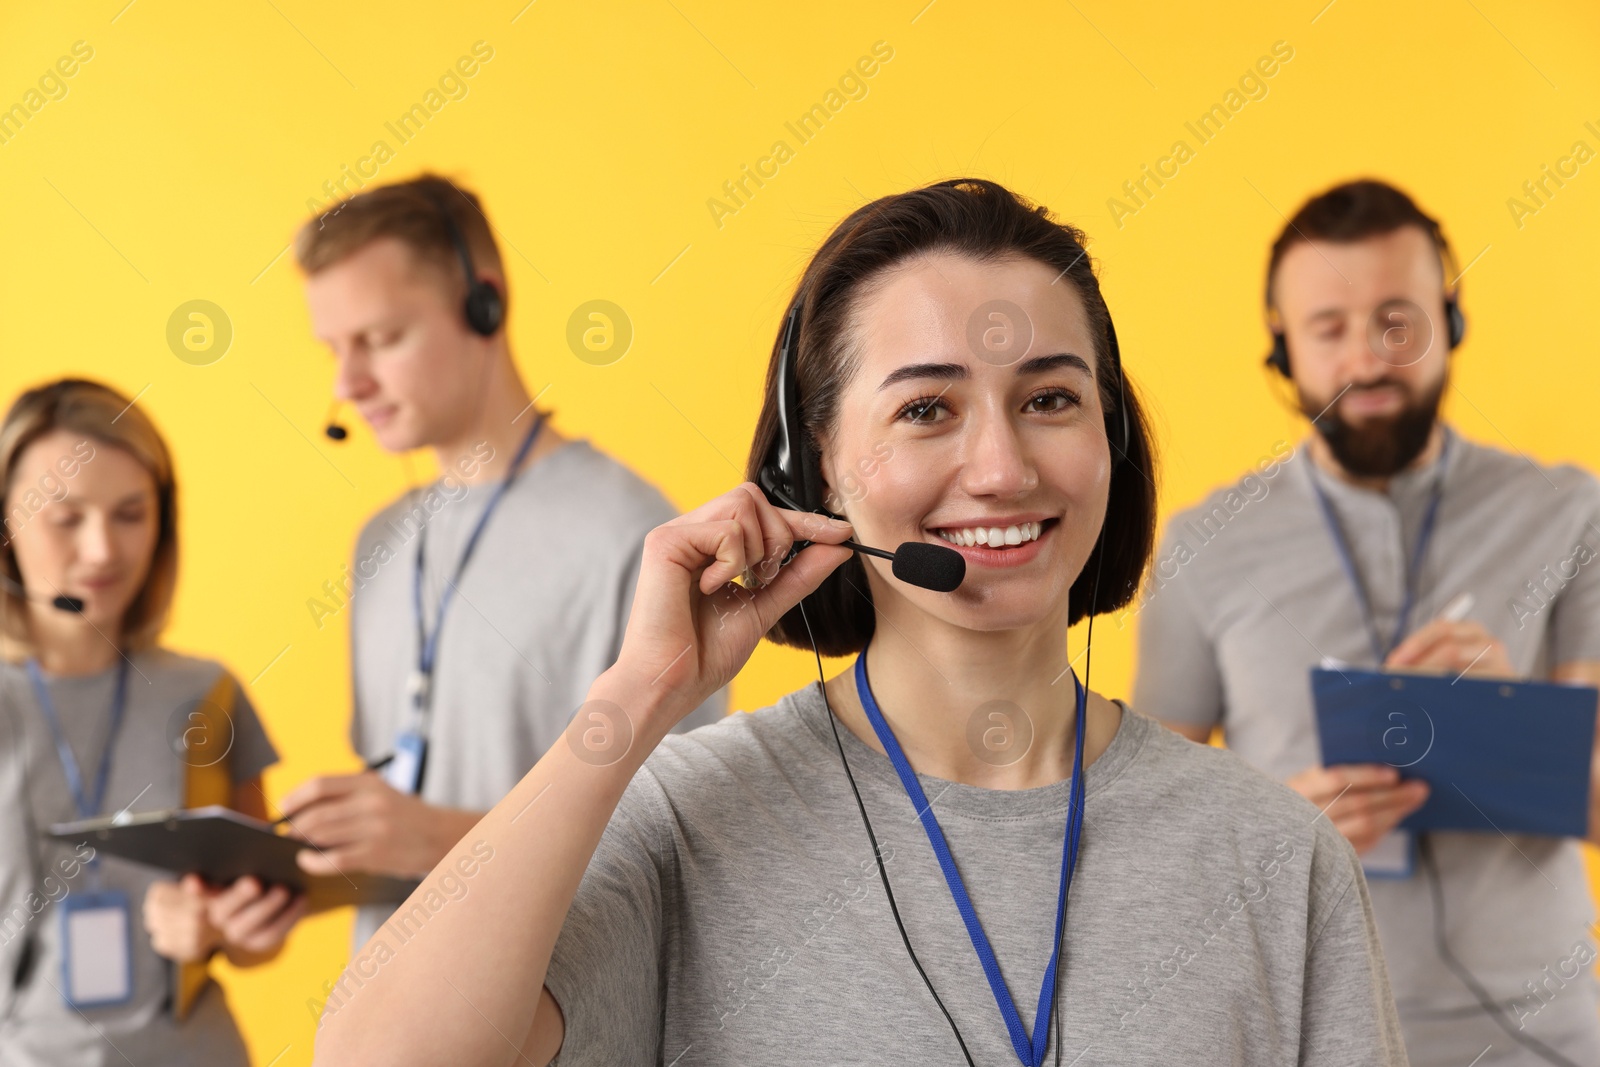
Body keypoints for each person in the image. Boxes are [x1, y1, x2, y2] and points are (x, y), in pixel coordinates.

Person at [306, 177, 1406, 1066]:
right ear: (815, 467)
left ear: (1111, 439)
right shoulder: (691, 825)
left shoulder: (1275, 855)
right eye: (925, 408)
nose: (1001, 464)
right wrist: (635, 697)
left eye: (1051, 398)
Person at [1133, 178, 1600, 1066]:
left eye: (1397, 319)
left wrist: (1510, 718)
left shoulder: (1573, 515)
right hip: (1301, 1036)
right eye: (1330, 328)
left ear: (1449, 319)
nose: (1367, 359)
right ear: (1281, 347)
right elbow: (1149, 841)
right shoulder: (1203, 545)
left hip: (1546, 1041)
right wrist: (1274, 831)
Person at [280, 174, 725, 956]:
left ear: (483, 304)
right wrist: (294, 882)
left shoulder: (635, 535)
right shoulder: (379, 542)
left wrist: (435, 838)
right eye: (333, 349)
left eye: (380, 339)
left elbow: (679, 837)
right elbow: (408, 831)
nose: (347, 384)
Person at [0, 379, 301, 1066]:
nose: (104, 550)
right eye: (65, 516)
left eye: (131, 513)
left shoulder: (205, 693)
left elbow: (261, 934)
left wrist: (223, 926)